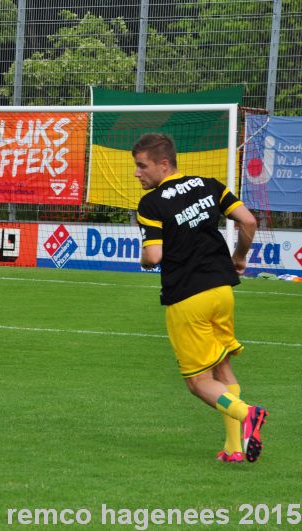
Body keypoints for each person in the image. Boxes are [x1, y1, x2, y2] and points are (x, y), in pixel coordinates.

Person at [133, 133, 268, 463]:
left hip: (187, 297)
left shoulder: (151, 203)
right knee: (222, 367)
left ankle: (246, 413)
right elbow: (248, 220)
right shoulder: (209, 185)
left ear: (164, 164)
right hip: (222, 290)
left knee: (197, 382)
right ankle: (234, 448)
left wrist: (142, 258)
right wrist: (239, 257)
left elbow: (153, 257)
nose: (137, 173)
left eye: (142, 166)